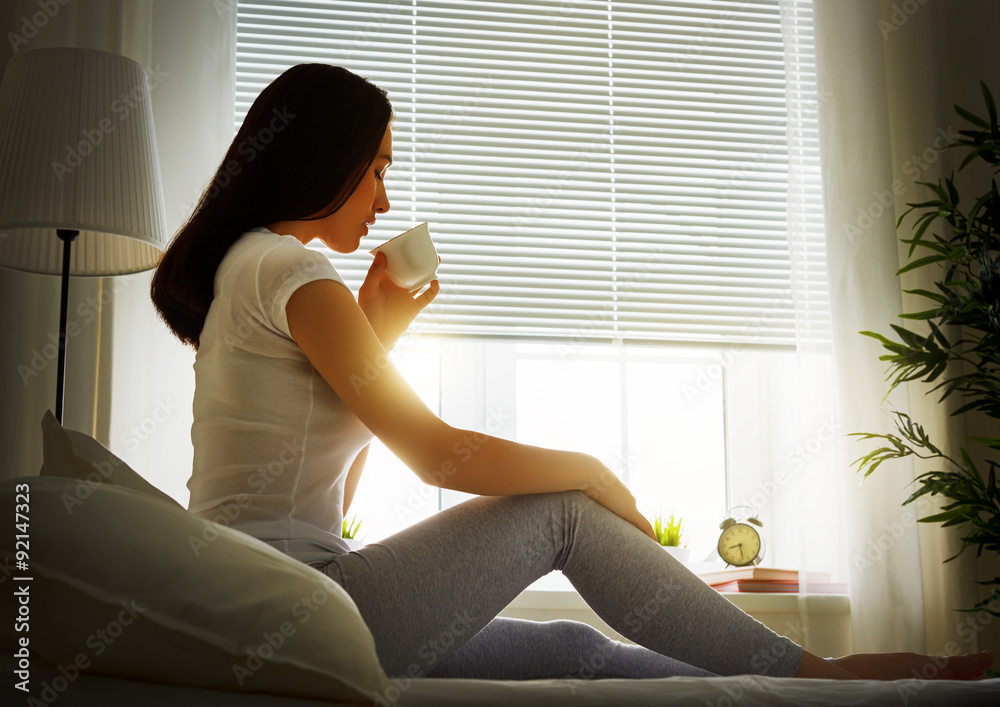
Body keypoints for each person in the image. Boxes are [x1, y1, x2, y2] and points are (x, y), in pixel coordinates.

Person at [150, 63, 994, 685]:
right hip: (299, 601)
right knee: (559, 505)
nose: (382, 197)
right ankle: (819, 676)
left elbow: (323, 481)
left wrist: (378, 332)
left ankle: (813, 679)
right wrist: (589, 472)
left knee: (573, 652)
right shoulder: (294, 271)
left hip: (279, 590)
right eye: (374, 169)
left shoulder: (251, 268)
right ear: (321, 159)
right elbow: (439, 455)